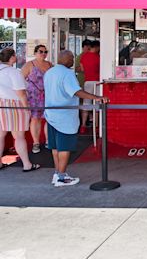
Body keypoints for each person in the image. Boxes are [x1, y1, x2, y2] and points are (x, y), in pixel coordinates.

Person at [44, 50, 109, 187]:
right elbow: (76, 91)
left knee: (55, 147)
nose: (74, 61)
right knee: (64, 148)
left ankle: (57, 173)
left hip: (50, 115)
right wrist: (96, 98)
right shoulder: (67, 74)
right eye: (72, 58)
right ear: (65, 59)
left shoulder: (49, 72)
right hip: (65, 117)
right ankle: (61, 177)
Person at [0, 48, 40, 172]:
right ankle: (27, 164)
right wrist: (26, 108)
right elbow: (21, 93)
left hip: (1, 103)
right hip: (15, 105)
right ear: (12, 57)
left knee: (1, 135)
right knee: (19, 136)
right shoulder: (13, 72)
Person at [21, 44, 52, 154]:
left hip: (47, 95)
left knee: (49, 118)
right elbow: (20, 80)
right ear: (35, 53)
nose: (43, 54)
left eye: (45, 51)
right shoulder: (29, 64)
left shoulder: (49, 65)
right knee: (35, 119)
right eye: (41, 51)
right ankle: (36, 142)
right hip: (33, 96)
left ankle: (49, 140)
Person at [79, 40, 100, 133]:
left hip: (87, 81)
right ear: (96, 47)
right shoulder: (98, 57)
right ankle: (96, 126)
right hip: (97, 82)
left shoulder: (83, 56)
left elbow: (82, 69)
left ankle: (83, 126)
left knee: (86, 104)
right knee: (97, 103)